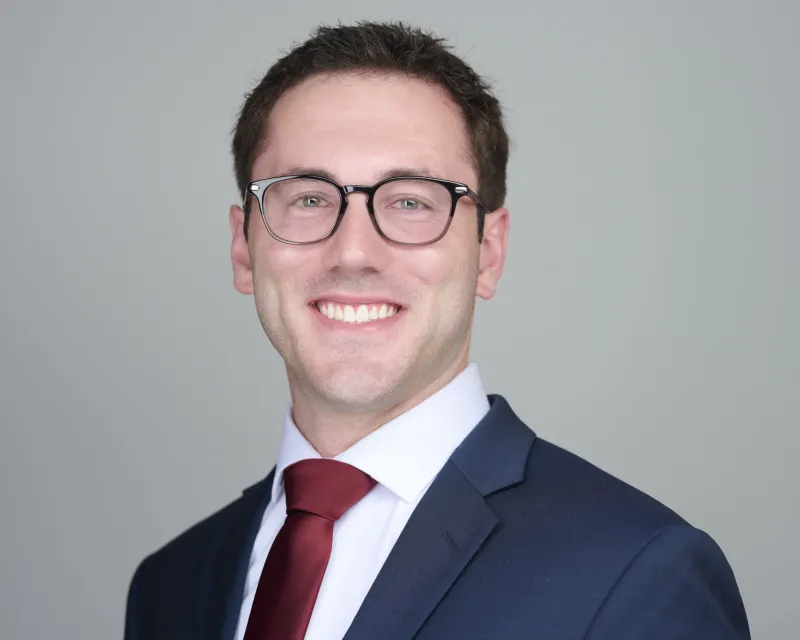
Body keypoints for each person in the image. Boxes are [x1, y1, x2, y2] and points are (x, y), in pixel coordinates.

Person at [124, 21, 750, 640]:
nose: (353, 253)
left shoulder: (636, 570)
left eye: (411, 201)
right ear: (243, 246)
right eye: (310, 198)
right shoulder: (172, 584)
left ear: (488, 252)